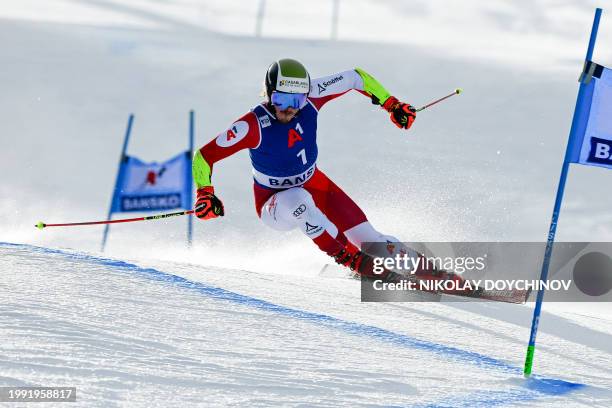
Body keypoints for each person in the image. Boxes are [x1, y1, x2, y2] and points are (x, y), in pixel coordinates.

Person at [191, 58, 418, 281]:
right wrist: (205, 193)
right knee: (298, 199)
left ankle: (430, 272)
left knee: (371, 240)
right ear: (269, 94)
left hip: (315, 184)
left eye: (297, 101)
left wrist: (392, 104)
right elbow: (203, 157)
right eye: (280, 100)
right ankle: (354, 262)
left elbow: (356, 77)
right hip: (274, 204)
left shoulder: (313, 95)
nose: (289, 108)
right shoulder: (252, 125)